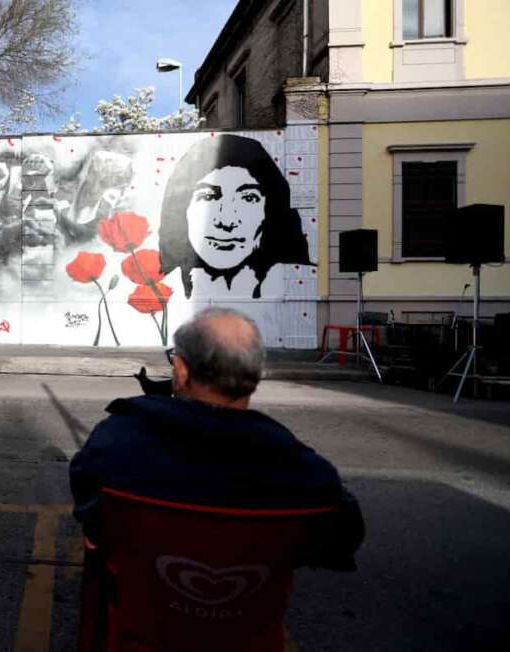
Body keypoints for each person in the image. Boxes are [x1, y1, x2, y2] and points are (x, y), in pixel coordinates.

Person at [70, 307, 364, 564]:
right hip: (246, 621)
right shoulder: (299, 465)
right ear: (256, 374)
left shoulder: (117, 436)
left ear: (181, 371)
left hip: (138, 616)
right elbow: (341, 540)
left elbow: (90, 513)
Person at [159, 134, 313, 299]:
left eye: (248, 198)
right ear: (182, 209)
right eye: (208, 197)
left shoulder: (302, 285)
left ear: (270, 211)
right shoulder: (161, 292)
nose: (226, 221)